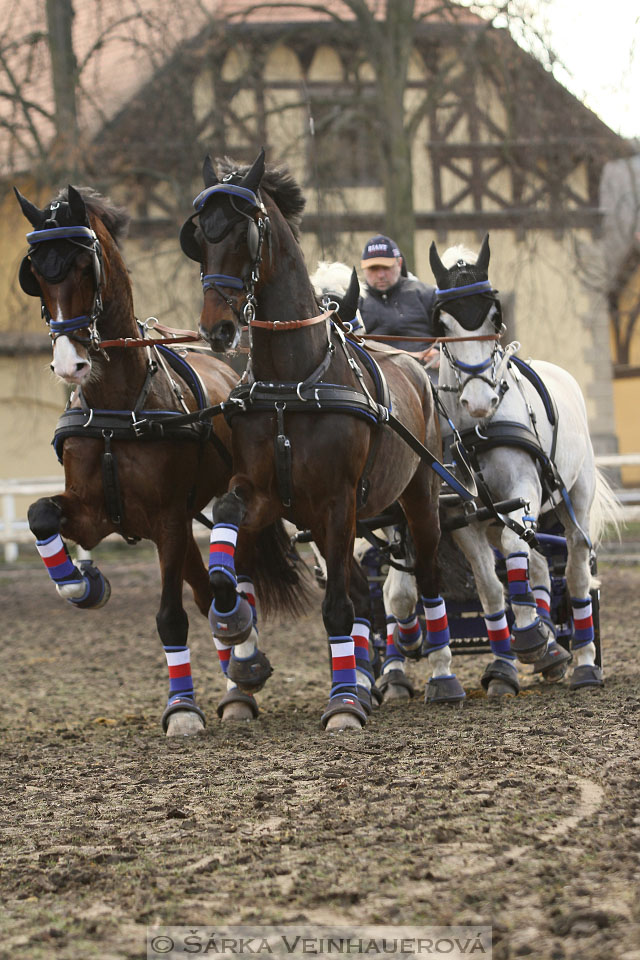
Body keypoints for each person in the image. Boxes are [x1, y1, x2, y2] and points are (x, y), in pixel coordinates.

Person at [358, 234, 439, 369]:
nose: (381, 275)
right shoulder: (355, 303)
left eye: (386, 267)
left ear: (399, 263)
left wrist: (438, 350)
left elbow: (450, 332)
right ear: (364, 269)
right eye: (374, 268)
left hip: (428, 372)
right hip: (376, 377)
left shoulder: (427, 294)